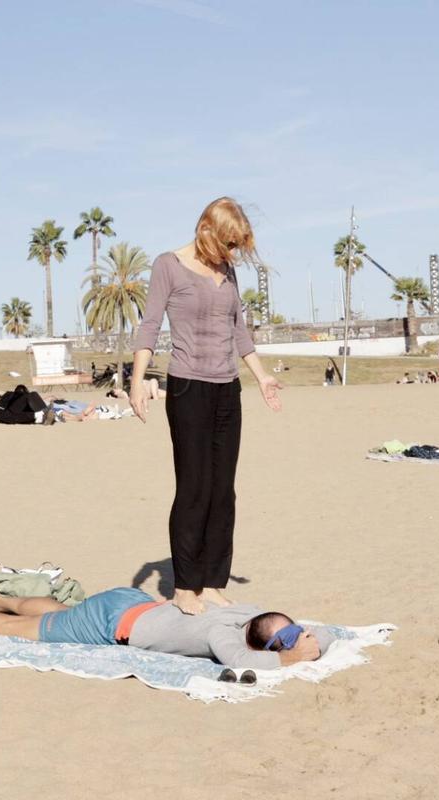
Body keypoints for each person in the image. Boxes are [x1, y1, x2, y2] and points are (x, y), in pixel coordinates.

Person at [129, 197, 284, 615]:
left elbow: (239, 331)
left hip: (226, 390)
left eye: (237, 247)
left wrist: (263, 376)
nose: (232, 254)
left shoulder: (227, 271)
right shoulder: (168, 265)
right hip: (188, 389)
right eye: (229, 244)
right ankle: (185, 586)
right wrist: (137, 379)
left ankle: (213, 581)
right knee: (194, 489)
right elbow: (150, 325)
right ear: (206, 230)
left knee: (223, 491)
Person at [0, 586, 332, 670]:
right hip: (110, 622)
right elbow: (238, 660)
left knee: (62, 612)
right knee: (19, 630)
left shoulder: (246, 613)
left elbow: (323, 631)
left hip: (132, 601)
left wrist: (304, 638)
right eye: (290, 636)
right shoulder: (222, 636)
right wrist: (291, 657)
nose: (300, 635)